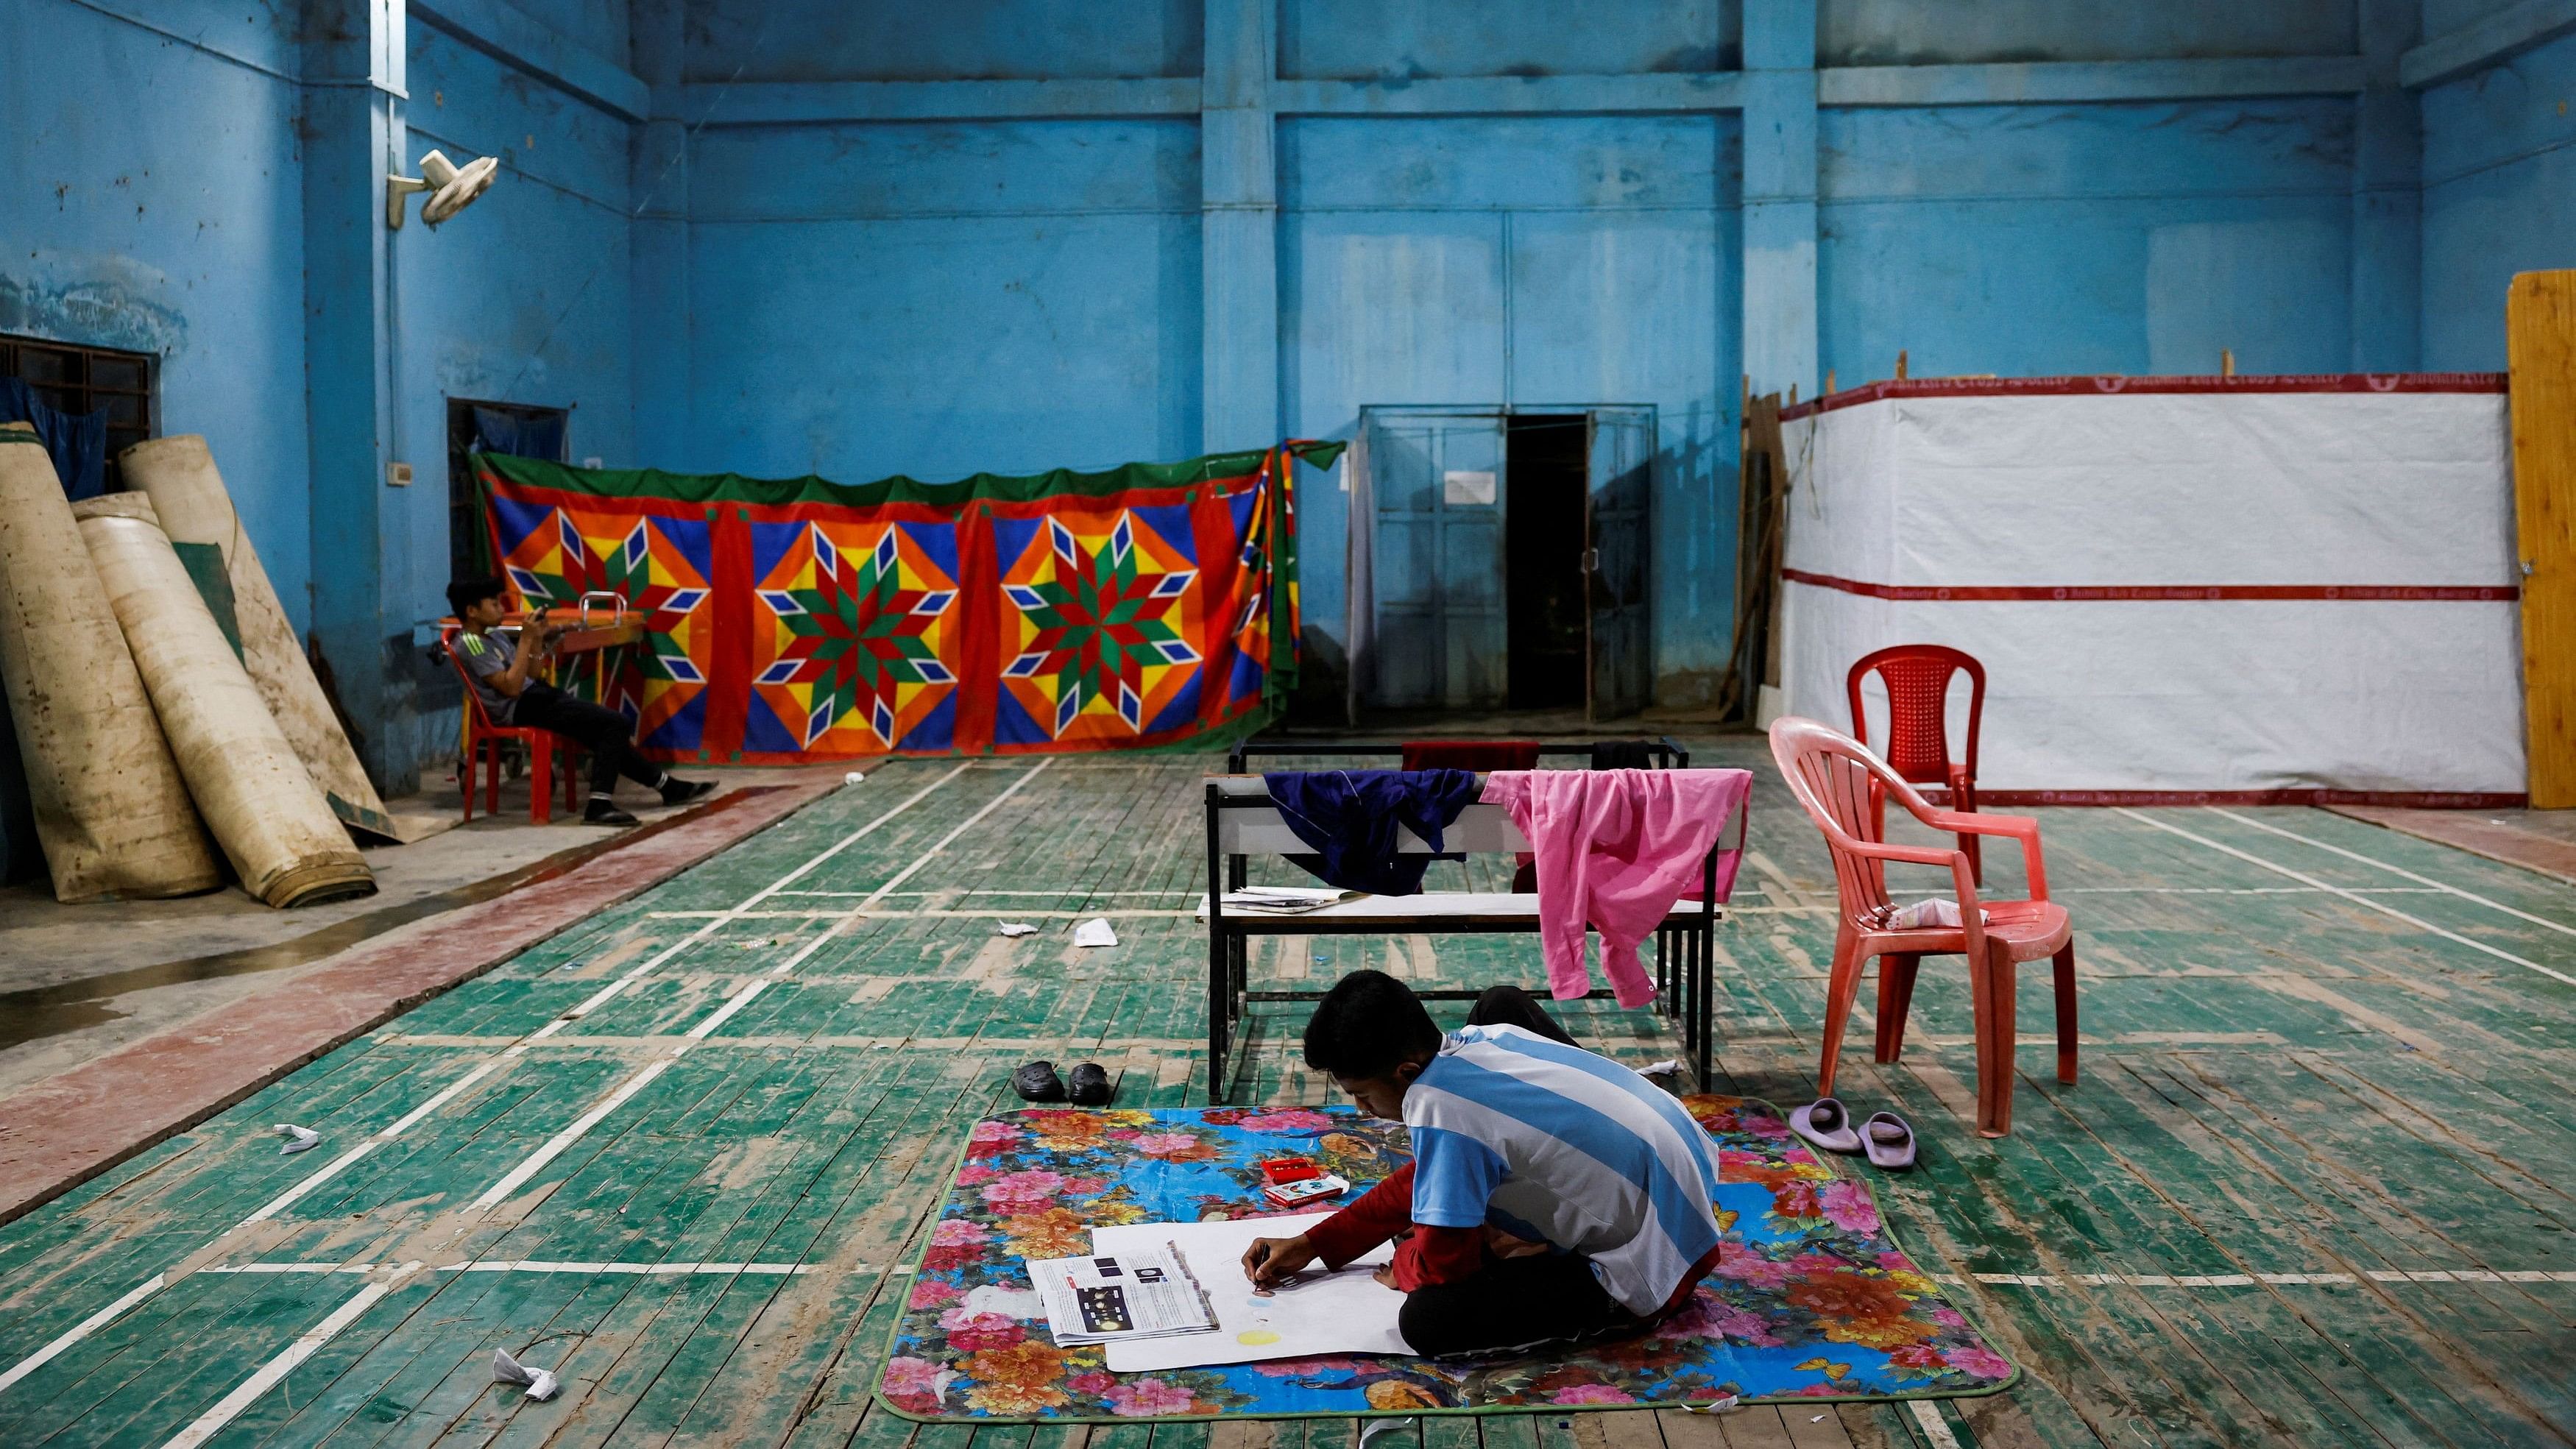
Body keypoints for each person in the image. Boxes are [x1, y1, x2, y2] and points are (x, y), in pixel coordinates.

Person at [1242, 972, 1725, 1358]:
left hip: (1656, 1263)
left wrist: (1409, 1262)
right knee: (1448, 1206)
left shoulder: (1441, 1109)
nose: (1362, 1110)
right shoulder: (1482, 1036)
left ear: (1405, 1072)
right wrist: (1316, 1242)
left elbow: (1445, 1269)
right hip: (1685, 1183)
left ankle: (1610, 1304)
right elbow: (1429, 1177)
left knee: (1426, 1319)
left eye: (1362, 1095)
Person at [445, 577, 713, 826]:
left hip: (534, 697)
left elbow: (533, 673)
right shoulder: (471, 644)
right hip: (518, 708)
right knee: (614, 723)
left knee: (605, 732)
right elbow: (513, 688)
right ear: (472, 611)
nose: (500, 608)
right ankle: (599, 805)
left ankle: (667, 787)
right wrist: (526, 639)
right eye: (493, 603)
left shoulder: (495, 636)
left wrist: (537, 640)